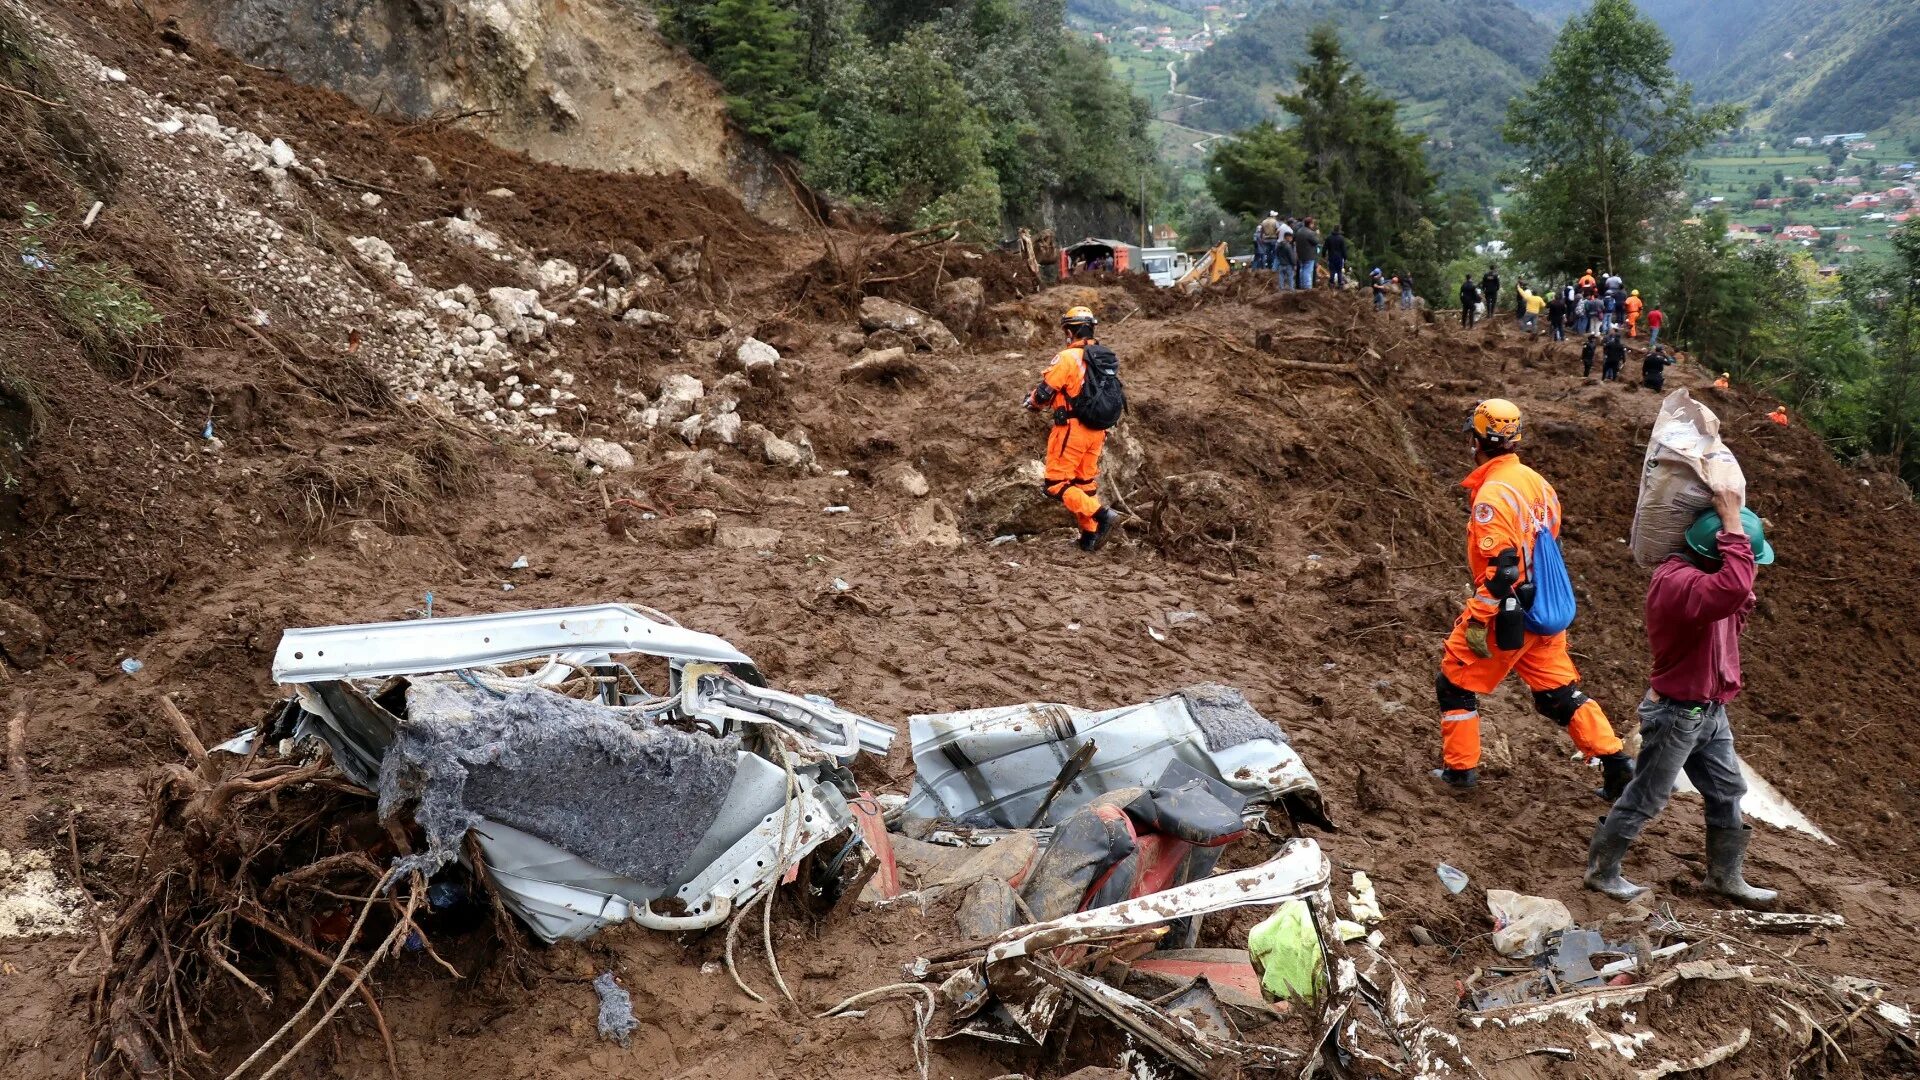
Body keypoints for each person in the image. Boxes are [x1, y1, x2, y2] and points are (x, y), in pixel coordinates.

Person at [1584, 488, 1778, 907]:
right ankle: (1602, 872)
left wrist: (1741, 593)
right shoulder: (1678, 583)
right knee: (1647, 796)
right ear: (1716, 554)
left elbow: (1733, 602)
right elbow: (1732, 587)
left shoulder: (1704, 584)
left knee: (1728, 791)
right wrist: (1731, 525)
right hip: (1675, 714)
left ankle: (1725, 877)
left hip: (1709, 710)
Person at [1434, 400, 1633, 794]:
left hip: (1510, 612)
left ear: (1476, 441)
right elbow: (1547, 538)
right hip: (1544, 607)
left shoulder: (1492, 495)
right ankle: (1618, 764)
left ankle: (1459, 774)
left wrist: (1477, 618)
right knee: (1557, 693)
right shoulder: (1536, 482)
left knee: (1454, 683)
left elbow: (1502, 569)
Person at [1025, 306, 1119, 552]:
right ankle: (1089, 537)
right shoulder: (1103, 357)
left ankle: (1102, 515)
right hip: (1098, 430)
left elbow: (1045, 392)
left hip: (1072, 429)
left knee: (1055, 483)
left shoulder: (1067, 358)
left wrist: (1032, 402)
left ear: (1069, 331)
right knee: (1084, 483)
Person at [1294, 216, 1320, 290]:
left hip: (1301, 254)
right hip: (1309, 255)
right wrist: (1317, 234)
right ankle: (1307, 287)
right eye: (1313, 224)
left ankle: (1302, 284)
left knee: (1302, 269)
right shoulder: (1310, 233)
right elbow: (1316, 242)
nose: (1313, 225)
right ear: (1310, 224)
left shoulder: (1299, 231)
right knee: (1308, 271)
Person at [1272, 226, 1297, 291]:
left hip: (1281, 264)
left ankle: (1281, 288)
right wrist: (1294, 264)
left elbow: (1276, 254)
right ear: (1287, 237)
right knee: (1290, 277)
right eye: (1291, 237)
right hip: (1288, 264)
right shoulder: (1288, 246)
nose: (1291, 239)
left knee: (1281, 277)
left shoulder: (1279, 245)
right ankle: (1291, 288)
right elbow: (1291, 256)